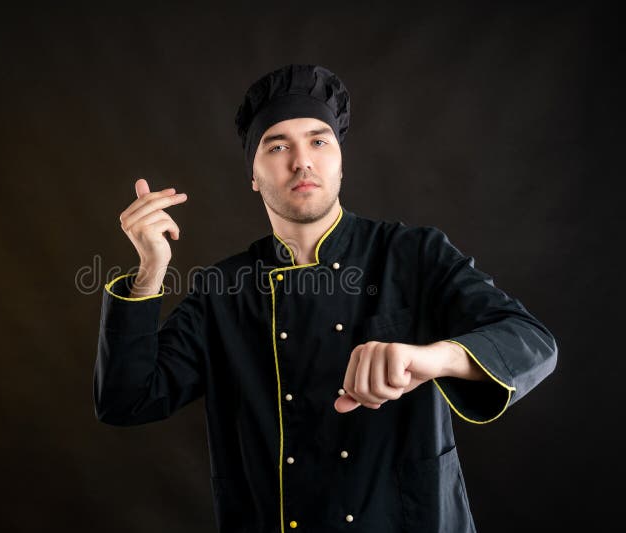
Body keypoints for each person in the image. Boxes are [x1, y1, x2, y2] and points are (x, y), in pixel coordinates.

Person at [94, 64, 557, 532]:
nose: (302, 161)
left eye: (318, 141)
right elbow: (126, 399)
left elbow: (531, 342)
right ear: (253, 176)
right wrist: (151, 271)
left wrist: (431, 359)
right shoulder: (223, 288)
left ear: (339, 159)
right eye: (278, 146)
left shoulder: (413, 254)